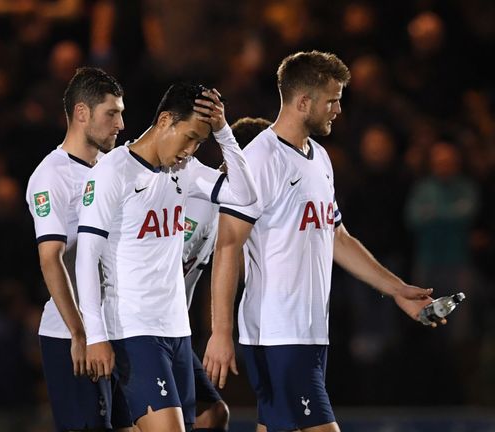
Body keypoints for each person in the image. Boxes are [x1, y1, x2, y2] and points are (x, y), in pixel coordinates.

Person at [202, 50, 444, 432]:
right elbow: (227, 246)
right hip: (277, 333)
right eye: (332, 100)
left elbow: (337, 237)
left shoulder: (319, 158)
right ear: (303, 102)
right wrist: (220, 332)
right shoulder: (260, 160)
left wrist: (396, 289)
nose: (338, 110)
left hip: (310, 330)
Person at [76, 82, 258, 432]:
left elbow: (245, 195)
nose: (190, 150)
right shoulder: (114, 171)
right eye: (188, 137)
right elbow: (86, 256)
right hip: (133, 329)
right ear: (164, 121)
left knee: (210, 419)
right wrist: (95, 335)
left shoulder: (184, 172)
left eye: (199, 143)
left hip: (177, 329)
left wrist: (223, 131)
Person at [25, 67, 131, 432]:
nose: (120, 123)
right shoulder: (51, 176)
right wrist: (80, 334)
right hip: (74, 336)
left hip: (117, 330)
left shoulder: (112, 168)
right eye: (112, 113)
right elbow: (50, 258)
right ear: (82, 113)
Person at [182, 117, 271, 432]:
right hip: (135, 326)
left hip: (170, 331)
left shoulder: (236, 214)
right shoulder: (192, 195)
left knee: (213, 415)